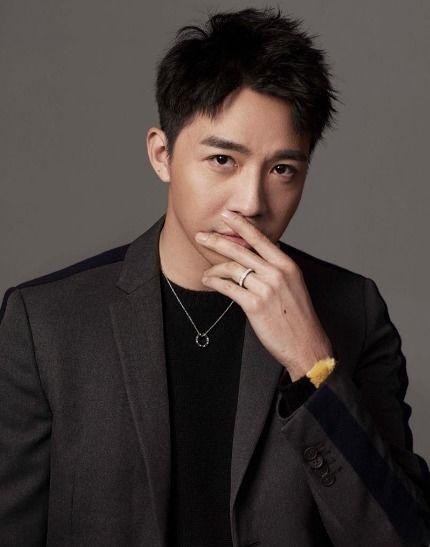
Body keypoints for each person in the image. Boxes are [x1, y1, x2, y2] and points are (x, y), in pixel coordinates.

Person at [1, 6, 429, 546]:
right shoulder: (45, 324)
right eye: (224, 160)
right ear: (162, 154)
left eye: (282, 170)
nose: (251, 202)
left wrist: (312, 366)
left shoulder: (354, 313)